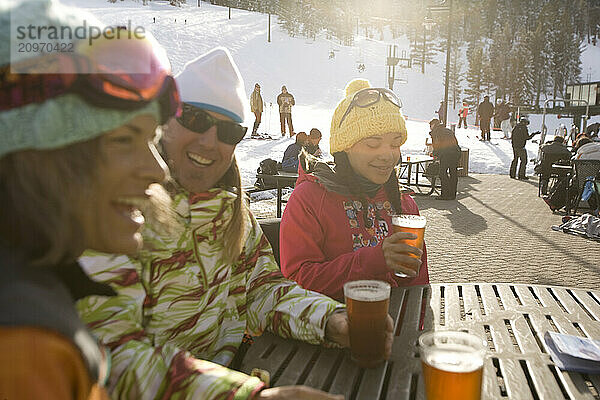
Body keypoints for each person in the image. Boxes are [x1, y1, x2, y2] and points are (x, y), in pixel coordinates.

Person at [77, 48, 384, 400]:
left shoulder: (232, 213)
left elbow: (263, 290)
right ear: (164, 122)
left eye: (228, 130)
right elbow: (112, 356)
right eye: (194, 118)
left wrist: (332, 321)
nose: (209, 141)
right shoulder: (119, 214)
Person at [0, 1, 181, 398]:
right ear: (32, 155)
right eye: (122, 140)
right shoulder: (25, 347)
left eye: (151, 140)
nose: (158, 172)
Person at [279, 79, 429, 302]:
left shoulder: (403, 203)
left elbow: (418, 288)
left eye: (395, 143)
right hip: (326, 331)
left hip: (396, 330)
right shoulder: (310, 198)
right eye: (373, 144)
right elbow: (297, 281)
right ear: (344, 147)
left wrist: (416, 330)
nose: (388, 155)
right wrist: (373, 261)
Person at [429, 119, 462, 200]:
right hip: (456, 152)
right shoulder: (447, 130)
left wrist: (434, 153)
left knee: (442, 173)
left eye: (431, 125)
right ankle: (452, 194)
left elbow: (438, 145)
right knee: (453, 173)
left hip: (447, 154)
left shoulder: (436, 132)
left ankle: (445, 194)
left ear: (434, 125)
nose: (430, 128)